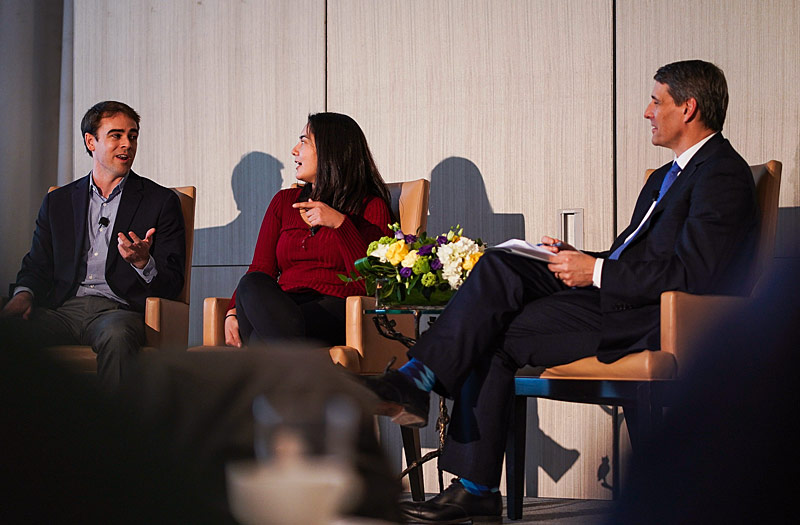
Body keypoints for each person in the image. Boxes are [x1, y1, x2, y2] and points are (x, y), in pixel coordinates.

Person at [365, 60, 759, 523]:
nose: (647, 111)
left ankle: (464, 470)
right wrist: (580, 257)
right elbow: (633, 257)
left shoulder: (720, 174)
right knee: (502, 264)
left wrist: (594, 271)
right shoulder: (662, 177)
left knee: (489, 329)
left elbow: (695, 273)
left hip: (651, 315)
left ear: (688, 107)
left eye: (656, 100)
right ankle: (420, 386)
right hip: (617, 296)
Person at [0, 101, 186, 390]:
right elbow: (37, 264)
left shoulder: (160, 201)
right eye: (116, 135)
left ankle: (114, 434)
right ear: (91, 141)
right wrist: (24, 294)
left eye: (133, 136)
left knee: (117, 337)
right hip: (61, 310)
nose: (127, 144)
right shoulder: (58, 201)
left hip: (118, 311)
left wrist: (143, 263)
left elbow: (173, 282)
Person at [224, 112, 393, 348]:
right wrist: (232, 311)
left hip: (333, 309)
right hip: (283, 306)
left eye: (304, 142)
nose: (294, 150)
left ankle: (278, 366)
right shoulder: (283, 202)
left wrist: (340, 224)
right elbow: (261, 267)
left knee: (258, 338)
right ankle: (295, 370)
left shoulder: (371, 208)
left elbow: (372, 283)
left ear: (329, 151)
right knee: (253, 282)